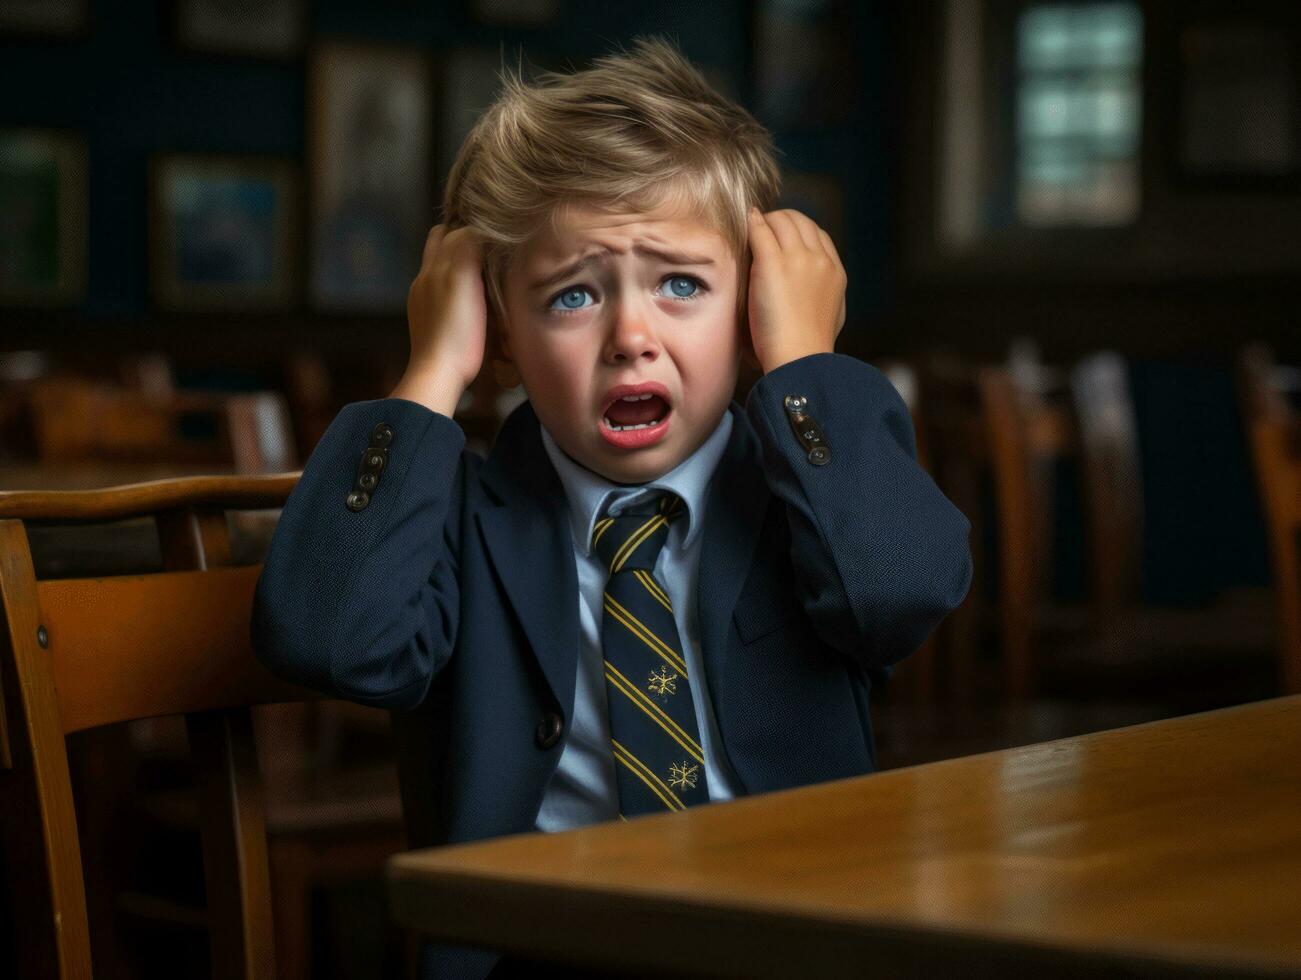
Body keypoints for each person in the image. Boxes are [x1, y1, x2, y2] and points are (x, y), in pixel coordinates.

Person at [251, 35, 972, 980]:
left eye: (682, 285)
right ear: (498, 331)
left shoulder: (801, 493)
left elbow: (898, 593)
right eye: (572, 296)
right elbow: (328, 637)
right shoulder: (467, 515)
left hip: (792, 935)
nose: (632, 336)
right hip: (544, 949)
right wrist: (433, 369)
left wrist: (800, 359)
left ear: (749, 306)